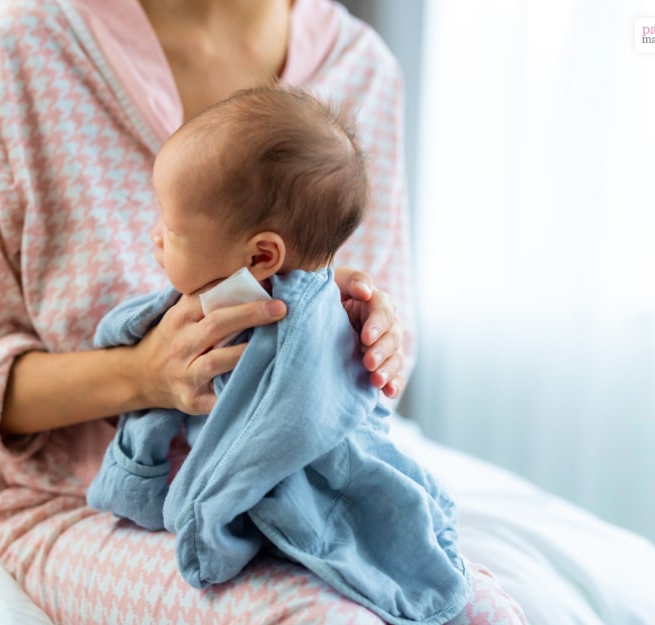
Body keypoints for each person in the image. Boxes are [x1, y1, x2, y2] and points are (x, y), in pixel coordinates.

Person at [0, 0, 526, 623]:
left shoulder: (362, 68)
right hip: (63, 497)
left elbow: (384, 345)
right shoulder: (16, 48)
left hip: (300, 490)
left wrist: (359, 324)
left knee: (480, 606)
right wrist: (142, 374)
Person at [86, 84, 473, 625]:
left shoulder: (297, 329)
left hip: (315, 484)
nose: (155, 235)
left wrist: (203, 522)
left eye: (172, 229)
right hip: (231, 489)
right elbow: (130, 336)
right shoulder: (230, 291)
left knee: (426, 594)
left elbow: (271, 436)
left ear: (262, 254)